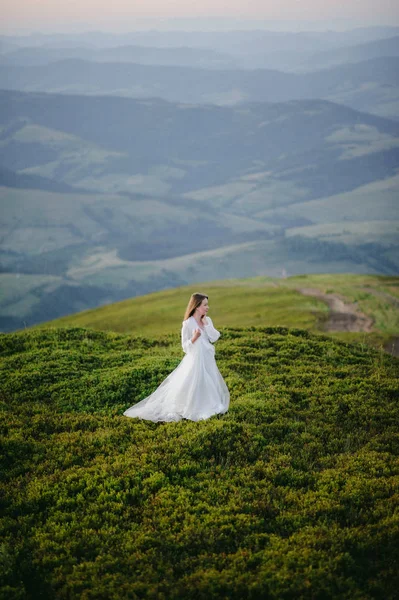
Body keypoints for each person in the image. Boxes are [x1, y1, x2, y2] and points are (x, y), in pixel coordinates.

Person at [123, 293, 230, 422]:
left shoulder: (207, 320)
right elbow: (185, 347)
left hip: (207, 358)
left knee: (208, 381)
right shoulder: (187, 323)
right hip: (195, 360)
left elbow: (214, 337)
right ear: (196, 306)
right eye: (205, 305)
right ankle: (191, 407)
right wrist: (194, 338)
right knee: (194, 382)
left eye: (207, 304)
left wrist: (206, 324)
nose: (207, 307)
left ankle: (208, 404)